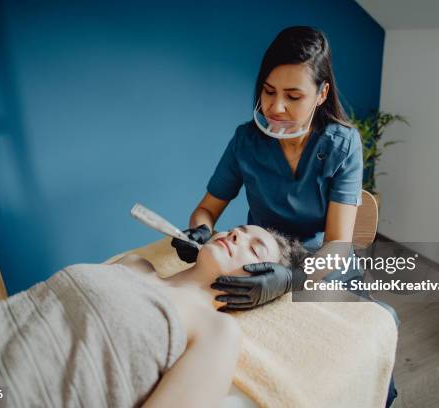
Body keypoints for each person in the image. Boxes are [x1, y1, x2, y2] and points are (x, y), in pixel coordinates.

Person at [171, 26, 398, 406]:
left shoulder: (342, 144)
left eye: (294, 96)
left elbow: (338, 245)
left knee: (360, 338)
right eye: (269, 91)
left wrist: (294, 278)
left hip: (322, 264)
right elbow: (208, 209)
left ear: (322, 94)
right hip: (262, 256)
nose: (276, 108)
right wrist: (199, 231)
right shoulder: (246, 141)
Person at [0, 226, 303, 408]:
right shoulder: (134, 263)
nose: (237, 234)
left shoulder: (217, 331)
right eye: (238, 229)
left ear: (262, 284)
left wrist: (292, 279)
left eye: (255, 246)